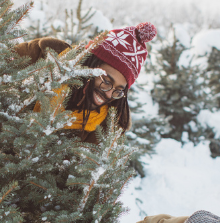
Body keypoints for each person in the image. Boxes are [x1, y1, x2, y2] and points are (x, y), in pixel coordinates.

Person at [13, 22, 157, 143]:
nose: (108, 94)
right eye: (106, 80)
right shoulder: (44, 55)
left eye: (118, 90)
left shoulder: (105, 130)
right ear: (90, 64)